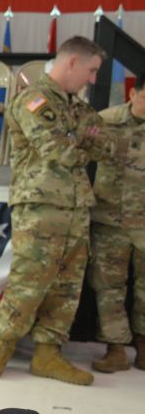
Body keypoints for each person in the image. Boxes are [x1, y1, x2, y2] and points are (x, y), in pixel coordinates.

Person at [0, 37, 120, 385]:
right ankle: (3, 347)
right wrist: (82, 138)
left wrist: (76, 136)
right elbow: (58, 150)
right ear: (72, 62)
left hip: (77, 206)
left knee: (67, 285)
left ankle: (48, 354)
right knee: (29, 279)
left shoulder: (79, 108)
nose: (92, 79)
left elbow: (109, 147)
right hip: (40, 205)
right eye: (91, 70)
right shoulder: (33, 99)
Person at [88, 75, 145, 372]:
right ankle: (116, 349)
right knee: (108, 288)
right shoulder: (105, 120)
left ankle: (144, 347)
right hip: (110, 219)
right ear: (133, 93)